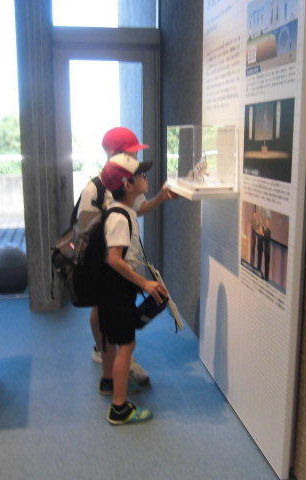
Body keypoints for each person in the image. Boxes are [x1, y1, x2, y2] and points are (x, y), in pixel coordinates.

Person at [78, 127, 175, 387]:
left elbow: (136, 209)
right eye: (130, 152)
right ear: (114, 153)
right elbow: (85, 230)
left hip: (119, 264)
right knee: (102, 312)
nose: (135, 157)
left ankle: (113, 364)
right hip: (105, 266)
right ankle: (109, 358)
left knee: (115, 318)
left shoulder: (130, 179)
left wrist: (160, 198)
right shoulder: (94, 189)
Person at [98, 152, 168, 425]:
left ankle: (115, 386)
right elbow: (114, 259)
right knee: (126, 345)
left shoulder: (124, 210)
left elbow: (138, 212)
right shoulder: (119, 218)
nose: (145, 179)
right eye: (141, 175)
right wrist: (144, 283)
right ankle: (119, 408)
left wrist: (161, 198)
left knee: (125, 342)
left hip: (117, 288)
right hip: (116, 290)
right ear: (127, 185)